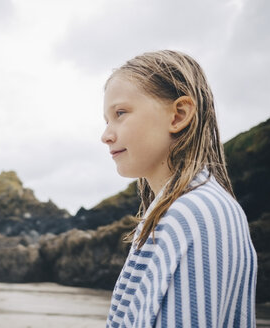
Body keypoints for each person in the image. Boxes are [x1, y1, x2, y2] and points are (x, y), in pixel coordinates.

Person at [101, 50, 257, 327]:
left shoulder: (190, 213)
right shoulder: (203, 206)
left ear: (179, 115)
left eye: (120, 113)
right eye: (107, 120)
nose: (106, 135)